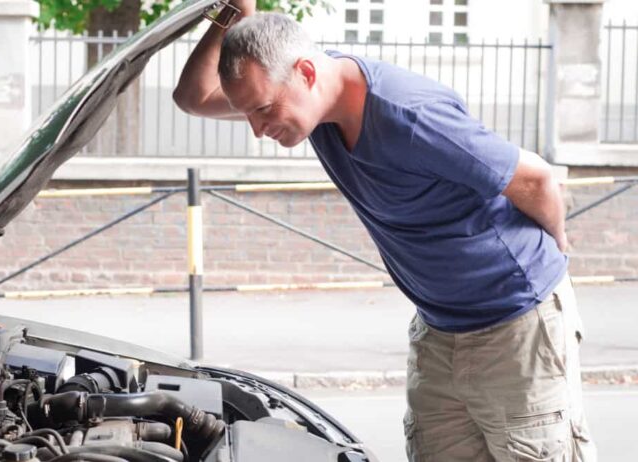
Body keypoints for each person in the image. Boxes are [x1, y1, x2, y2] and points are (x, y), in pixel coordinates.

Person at [173, 2, 597, 460]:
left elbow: (536, 179)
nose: (256, 129)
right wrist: (235, 14)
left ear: (307, 73)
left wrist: (556, 250)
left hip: (516, 329)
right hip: (439, 330)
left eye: (262, 110)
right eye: (248, 113)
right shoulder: (311, 101)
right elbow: (193, 96)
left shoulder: (410, 116)